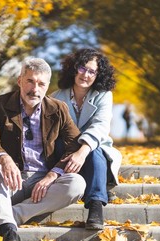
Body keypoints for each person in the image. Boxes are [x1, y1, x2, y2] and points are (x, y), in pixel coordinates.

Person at [0, 57, 86, 241]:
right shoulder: (0, 105)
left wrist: (52, 175)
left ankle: (6, 216)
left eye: (41, 84)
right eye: (30, 81)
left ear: (46, 87)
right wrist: (4, 158)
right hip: (13, 180)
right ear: (20, 81)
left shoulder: (58, 109)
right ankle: (9, 232)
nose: (34, 89)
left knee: (77, 184)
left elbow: (74, 144)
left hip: (43, 183)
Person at [51, 48, 122, 231]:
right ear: (74, 69)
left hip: (93, 147)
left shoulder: (104, 95)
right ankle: (97, 190)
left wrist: (82, 151)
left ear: (98, 75)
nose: (86, 75)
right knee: (77, 148)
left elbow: (100, 125)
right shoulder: (56, 97)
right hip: (64, 148)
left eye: (92, 71)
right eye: (83, 68)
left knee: (93, 150)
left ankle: (96, 206)